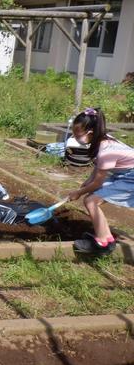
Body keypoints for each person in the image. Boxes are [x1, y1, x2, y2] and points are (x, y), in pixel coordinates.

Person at [68, 108, 134, 255]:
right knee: (92, 197)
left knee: (91, 201)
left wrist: (78, 193)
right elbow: (98, 168)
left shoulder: (106, 151)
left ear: (90, 133)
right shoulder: (102, 140)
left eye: (77, 134)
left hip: (131, 177)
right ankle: (107, 239)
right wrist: (87, 182)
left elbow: (98, 182)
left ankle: (102, 243)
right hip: (126, 174)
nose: (74, 136)